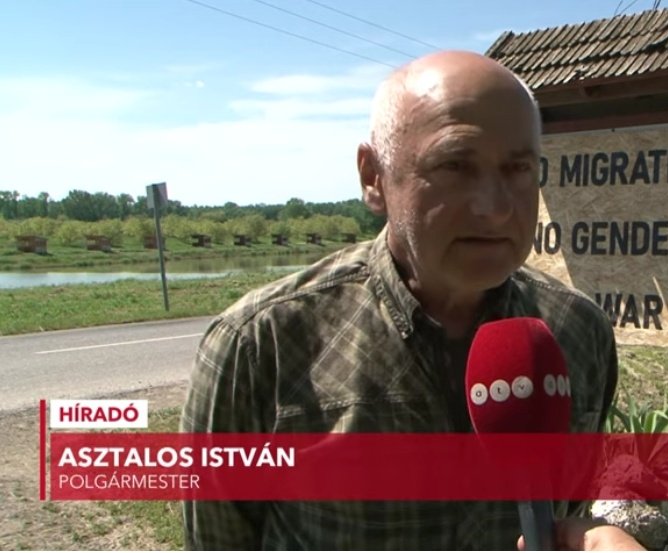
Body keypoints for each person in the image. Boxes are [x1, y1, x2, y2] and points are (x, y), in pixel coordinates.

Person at [182, 50, 636, 550]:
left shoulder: (579, 332)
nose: (496, 206)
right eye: (456, 165)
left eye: (518, 169)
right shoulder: (258, 346)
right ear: (373, 176)